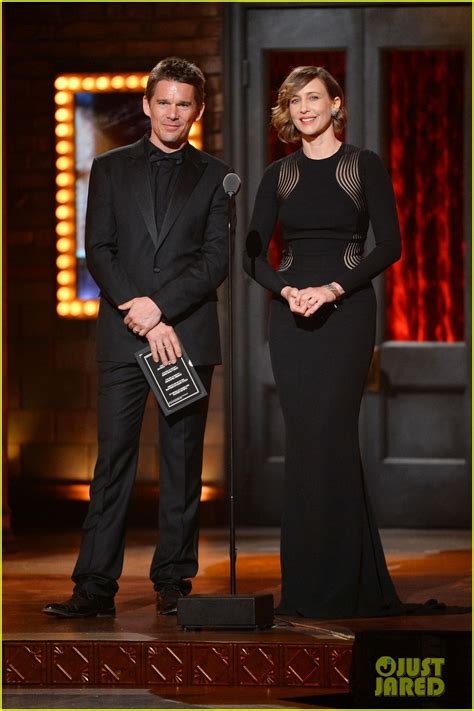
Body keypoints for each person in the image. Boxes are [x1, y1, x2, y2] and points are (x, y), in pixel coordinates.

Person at [43, 57, 230, 618]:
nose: (173, 112)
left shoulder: (217, 174)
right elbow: (98, 248)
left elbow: (215, 260)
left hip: (186, 337)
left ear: (197, 110)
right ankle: (95, 586)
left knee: (182, 461)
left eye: (184, 103)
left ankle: (174, 581)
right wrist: (140, 310)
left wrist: (162, 309)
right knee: (113, 460)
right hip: (126, 335)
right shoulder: (108, 167)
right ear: (147, 105)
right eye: (164, 101)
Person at [243, 65, 405, 618]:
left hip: (347, 313)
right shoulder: (278, 174)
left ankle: (344, 586)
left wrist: (334, 287)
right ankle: (308, 587)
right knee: (305, 442)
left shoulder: (364, 165)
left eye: (314, 98)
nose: (304, 108)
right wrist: (288, 291)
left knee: (333, 435)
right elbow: (251, 255)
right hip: (292, 321)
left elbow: (391, 246)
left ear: (337, 104)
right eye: (294, 101)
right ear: (287, 113)